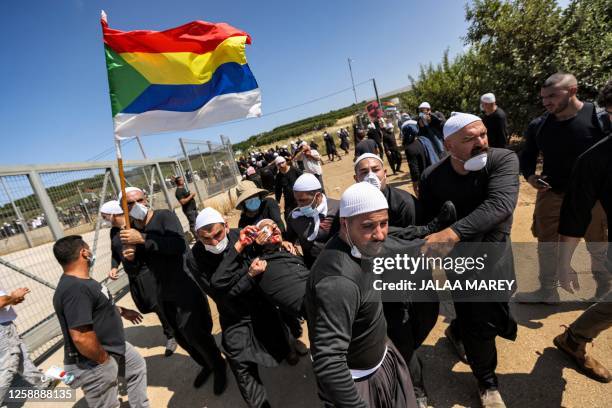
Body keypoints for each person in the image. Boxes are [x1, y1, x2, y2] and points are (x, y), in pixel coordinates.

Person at [419, 113, 519, 407]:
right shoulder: (432, 177)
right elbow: (428, 222)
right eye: (470, 139)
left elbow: (499, 204)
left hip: (496, 253)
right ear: (448, 145)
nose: (481, 143)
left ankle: (456, 330)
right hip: (461, 265)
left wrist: (453, 232)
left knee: (497, 305)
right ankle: (487, 382)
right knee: (481, 324)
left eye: (483, 135)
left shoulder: (503, 160)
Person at [305, 182, 417, 407]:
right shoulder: (339, 282)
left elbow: (394, 238)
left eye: (384, 223)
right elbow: (329, 361)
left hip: (382, 359)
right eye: (368, 226)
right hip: (363, 382)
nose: (379, 234)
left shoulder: (361, 245)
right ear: (344, 224)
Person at [118, 187, 228, 392]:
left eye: (139, 200)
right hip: (162, 290)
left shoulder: (164, 217)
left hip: (184, 285)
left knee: (197, 334)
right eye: (129, 204)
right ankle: (206, 365)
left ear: (146, 199)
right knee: (181, 336)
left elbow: (178, 244)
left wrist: (142, 239)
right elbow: (134, 269)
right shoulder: (130, 230)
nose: (136, 206)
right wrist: (130, 258)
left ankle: (219, 365)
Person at [516, 72, 609, 303]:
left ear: (573, 91)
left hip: (593, 197)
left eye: (552, 96)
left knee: (597, 245)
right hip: (552, 193)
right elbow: (526, 155)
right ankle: (548, 290)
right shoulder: (539, 125)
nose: (546, 102)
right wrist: (530, 177)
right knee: (547, 243)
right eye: (543, 97)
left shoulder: (600, 118)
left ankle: (604, 293)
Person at [186, 208, 290, 408]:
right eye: (207, 239)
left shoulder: (241, 235)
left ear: (226, 226)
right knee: (240, 362)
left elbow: (260, 259)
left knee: (278, 340)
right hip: (233, 315)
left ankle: (288, 350)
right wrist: (248, 275)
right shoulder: (194, 258)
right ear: (197, 237)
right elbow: (221, 295)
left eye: (218, 234)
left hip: (260, 305)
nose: (215, 243)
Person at [552, 80, 612, 383]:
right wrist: (564, 264)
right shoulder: (594, 161)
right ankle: (575, 339)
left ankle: (574, 338)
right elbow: (575, 217)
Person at [52, 235, 149, 408]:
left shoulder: (82, 281)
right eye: (88, 248)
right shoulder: (75, 289)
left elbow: (97, 307)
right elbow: (81, 337)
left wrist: (121, 311)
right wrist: (105, 361)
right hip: (94, 361)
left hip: (113, 347)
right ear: (84, 253)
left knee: (136, 368)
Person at [102, 199, 177, 357]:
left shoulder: (135, 226)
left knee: (158, 304)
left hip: (146, 272)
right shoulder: (113, 232)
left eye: (105, 216)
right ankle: (172, 325)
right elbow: (115, 252)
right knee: (145, 304)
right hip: (133, 275)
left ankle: (172, 335)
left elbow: (149, 245)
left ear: (114, 214)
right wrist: (114, 267)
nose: (104, 219)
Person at [1, 287, 54, 405]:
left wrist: (12, 300)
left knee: (21, 357)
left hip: (5, 327)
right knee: (7, 369)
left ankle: (43, 383)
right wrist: (13, 297)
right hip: (2, 329)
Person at [285, 173, 340, 268]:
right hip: (312, 268)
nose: (299, 205)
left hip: (339, 266)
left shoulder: (338, 209)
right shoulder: (294, 216)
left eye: (303, 200)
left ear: (318, 196)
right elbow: (289, 240)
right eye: (297, 200)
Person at [354, 153, 421, 227]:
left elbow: (412, 233)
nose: (371, 176)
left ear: (385, 173)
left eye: (375, 170)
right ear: (356, 178)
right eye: (364, 172)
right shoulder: (353, 204)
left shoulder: (403, 202)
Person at [401, 118, 430, 196]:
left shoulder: (410, 148)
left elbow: (414, 169)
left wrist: (415, 184)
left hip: (423, 180)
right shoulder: (423, 141)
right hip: (431, 174)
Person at [274, 156, 302, 221]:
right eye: (279, 164)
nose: (281, 165)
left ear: (285, 162)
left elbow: (304, 179)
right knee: (288, 217)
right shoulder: (278, 177)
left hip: (300, 197)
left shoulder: (294, 170)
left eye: (282, 162)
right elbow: (278, 190)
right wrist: (277, 201)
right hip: (288, 199)